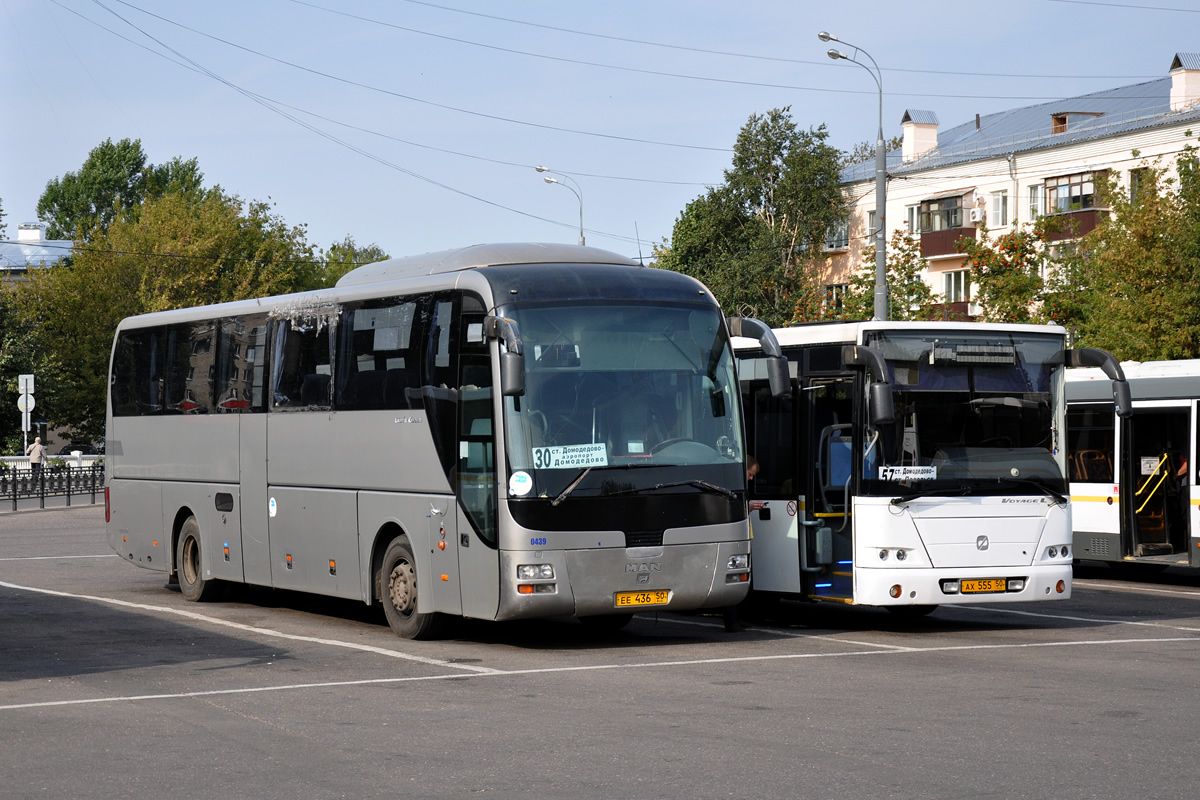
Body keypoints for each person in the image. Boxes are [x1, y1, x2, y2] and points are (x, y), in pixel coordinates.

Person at [724, 456, 762, 633]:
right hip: (735, 539)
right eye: (750, 474)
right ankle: (732, 622)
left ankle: (739, 619)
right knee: (734, 579)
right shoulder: (732, 486)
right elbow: (729, 508)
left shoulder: (741, 487)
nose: (751, 478)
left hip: (744, 537)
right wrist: (749, 506)